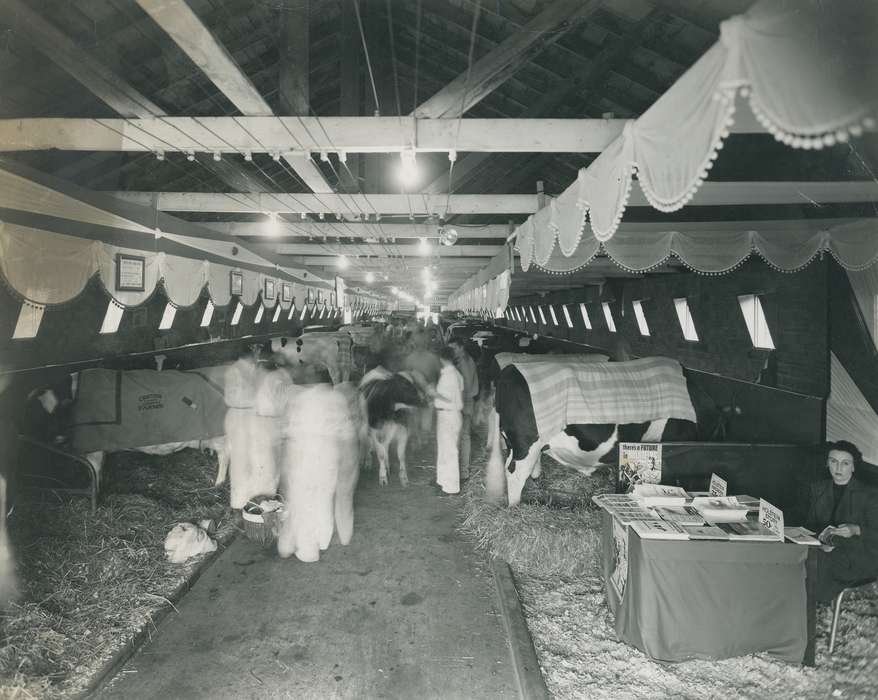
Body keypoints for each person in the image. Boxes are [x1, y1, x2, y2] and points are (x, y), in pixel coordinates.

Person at [805, 440, 878, 602]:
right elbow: (811, 525)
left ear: (853, 467)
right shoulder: (817, 489)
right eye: (833, 461)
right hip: (825, 549)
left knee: (818, 562)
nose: (838, 468)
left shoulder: (870, 494)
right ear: (827, 463)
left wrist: (856, 529)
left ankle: (816, 604)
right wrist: (820, 542)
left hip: (860, 555)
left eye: (845, 463)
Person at [434, 347, 464, 495]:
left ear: (442, 358)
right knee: (444, 450)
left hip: (449, 414)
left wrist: (433, 393)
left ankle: (451, 488)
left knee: (450, 451)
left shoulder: (450, 376)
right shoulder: (455, 373)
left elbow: (450, 398)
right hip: (448, 414)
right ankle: (442, 481)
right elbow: (460, 391)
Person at [449, 340, 479, 480]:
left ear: (461, 347)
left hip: (463, 402)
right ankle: (463, 471)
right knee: (464, 436)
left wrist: (457, 404)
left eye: (454, 348)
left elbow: (465, 386)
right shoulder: (467, 359)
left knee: (462, 437)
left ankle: (461, 471)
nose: (452, 351)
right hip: (467, 401)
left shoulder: (464, 363)